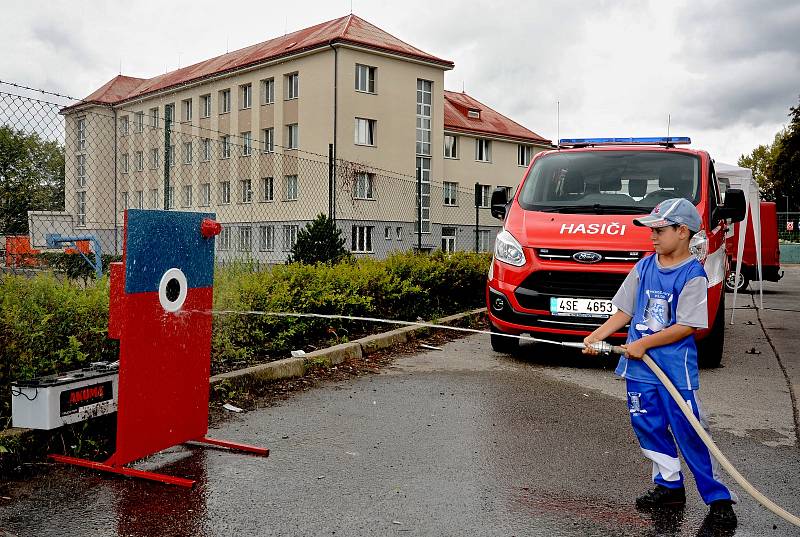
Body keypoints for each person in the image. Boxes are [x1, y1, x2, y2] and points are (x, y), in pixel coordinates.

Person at [583, 197, 738, 529]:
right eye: (651, 231)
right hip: (640, 371)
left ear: (682, 232)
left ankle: (718, 498)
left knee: (690, 432)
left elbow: (687, 325)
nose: (652, 237)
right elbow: (624, 311)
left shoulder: (693, 274)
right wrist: (596, 336)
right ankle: (669, 486)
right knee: (647, 426)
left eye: (659, 230)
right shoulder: (644, 267)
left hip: (673, 372)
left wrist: (642, 343)